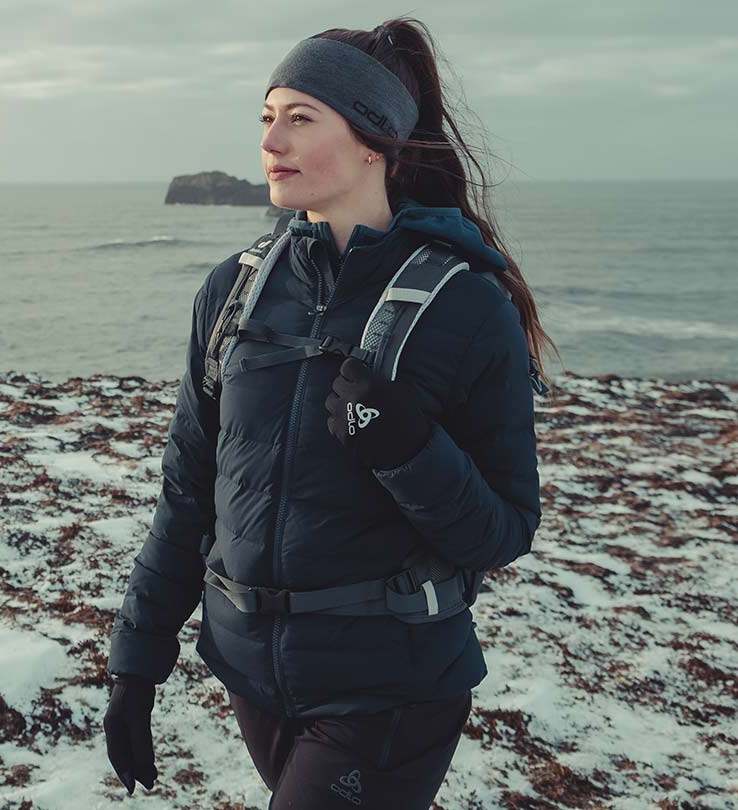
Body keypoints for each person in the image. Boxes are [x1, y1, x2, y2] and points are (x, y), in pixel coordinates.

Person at [103, 16, 559, 810]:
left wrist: (406, 445)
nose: (271, 140)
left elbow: (504, 530)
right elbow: (187, 493)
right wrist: (136, 664)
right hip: (255, 675)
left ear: (374, 140)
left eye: (301, 118)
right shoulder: (233, 291)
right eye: (266, 118)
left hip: (390, 685)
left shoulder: (466, 307)